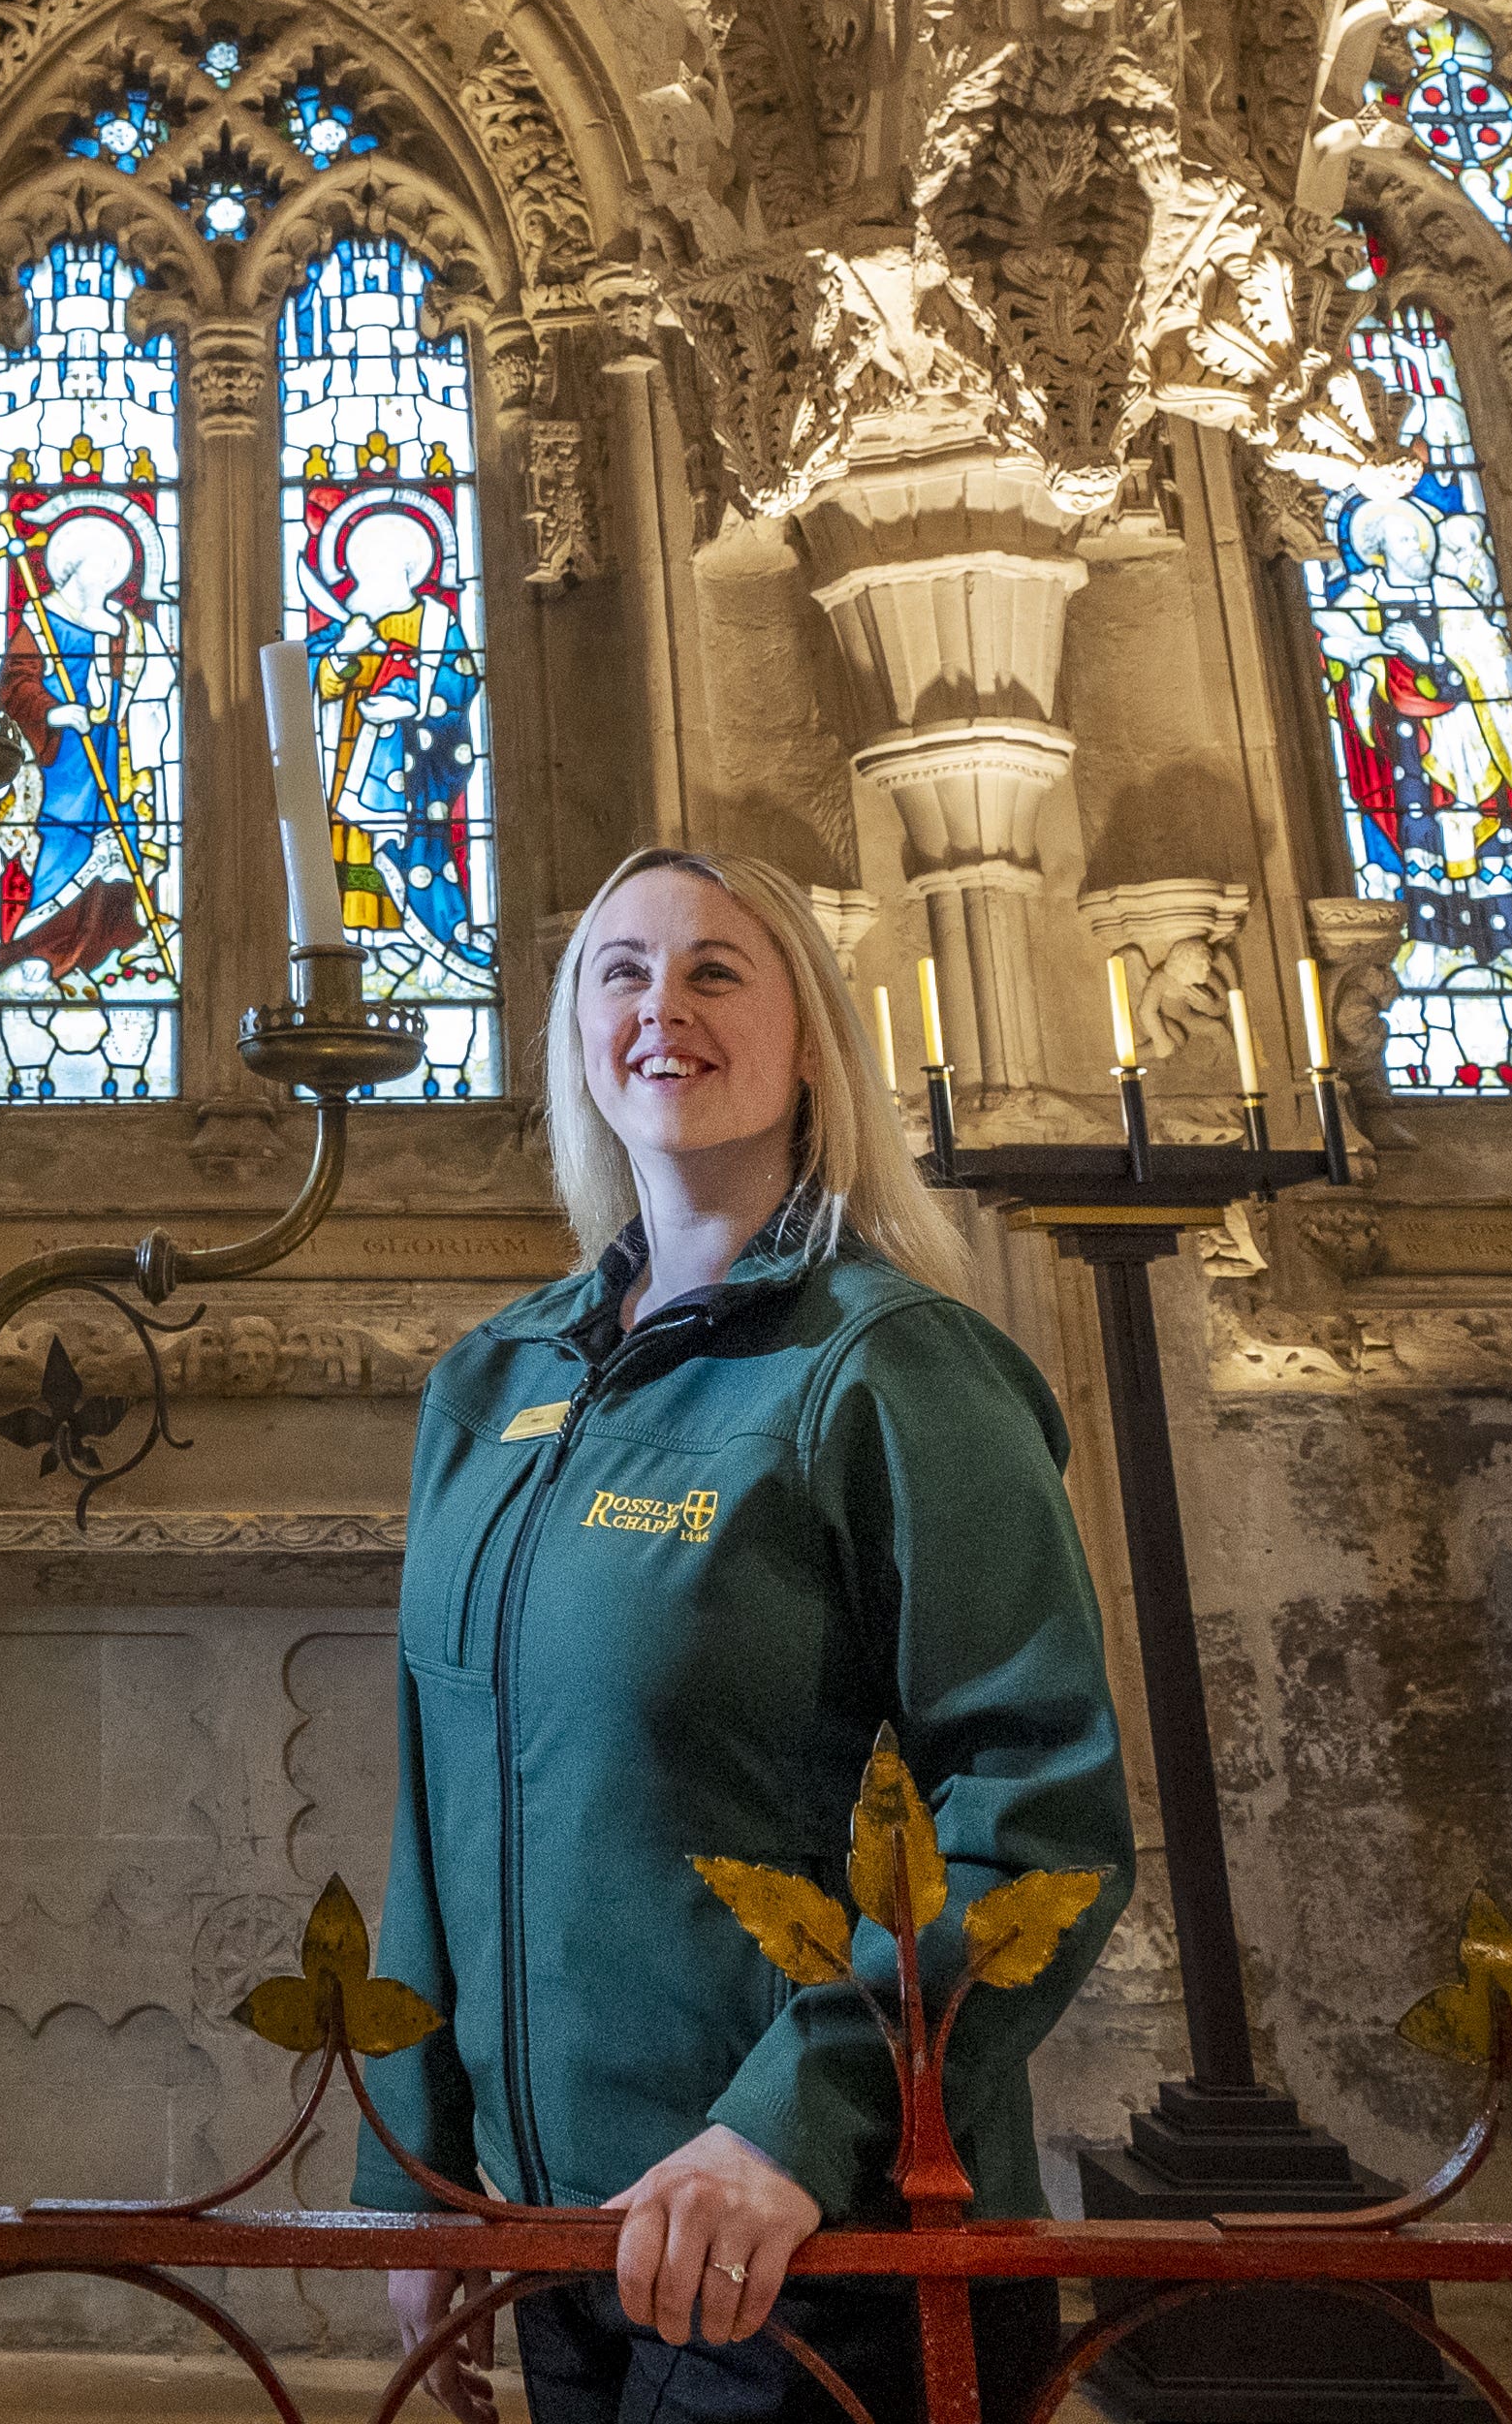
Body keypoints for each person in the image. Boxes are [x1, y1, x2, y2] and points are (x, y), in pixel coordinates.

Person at [362, 852, 1132, 2424]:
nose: (665, 1009)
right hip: (559, 2237)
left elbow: (1032, 1815)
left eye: (718, 971)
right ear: (578, 1032)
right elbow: (431, 1807)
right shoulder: (495, 1383)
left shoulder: (894, 1370)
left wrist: (793, 2128)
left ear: (807, 1040)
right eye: (621, 971)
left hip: (815, 2240)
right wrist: (410, 2170)